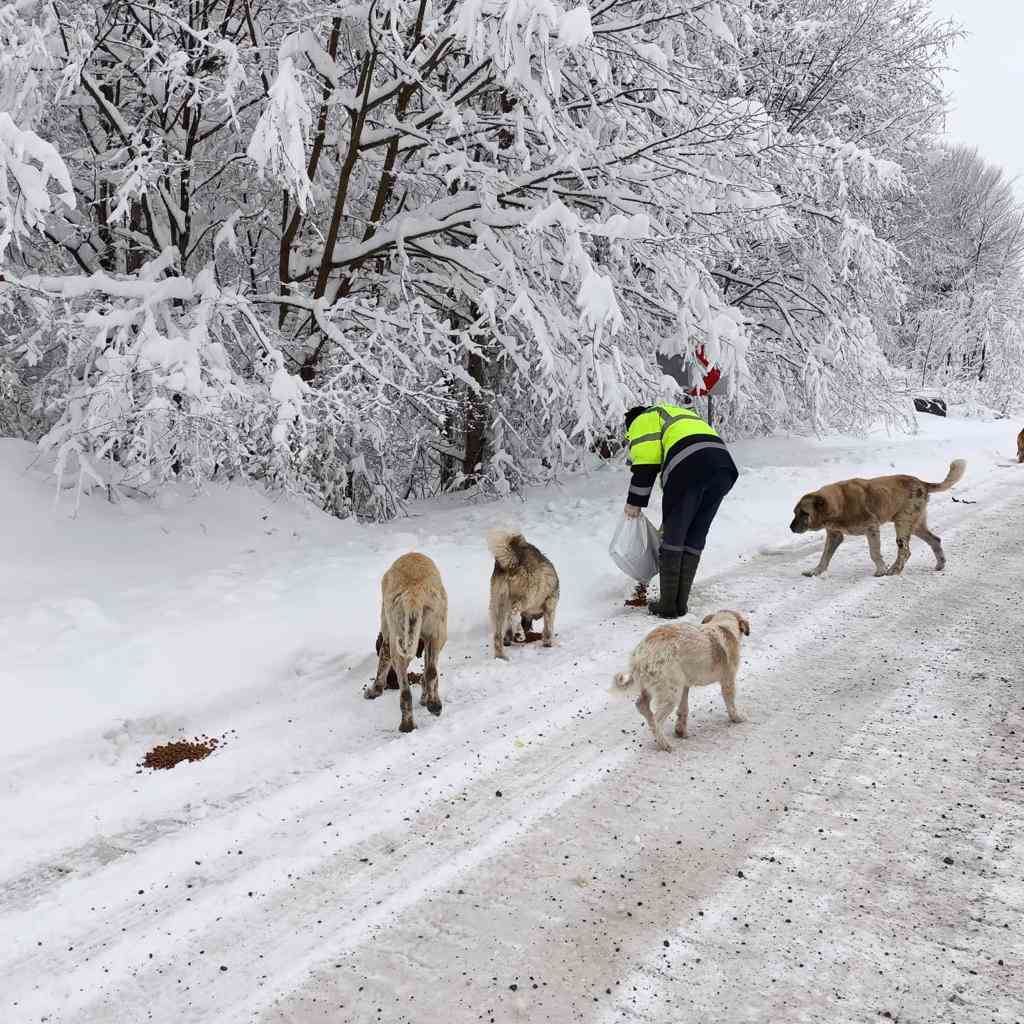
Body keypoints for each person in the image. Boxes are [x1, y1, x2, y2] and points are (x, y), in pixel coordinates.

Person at [623, 401, 738, 617]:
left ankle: (668, 606)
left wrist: (634, 502)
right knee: (695, 533)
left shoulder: (642, 420)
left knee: (674, 536)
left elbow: (646, 463)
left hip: (690, 465)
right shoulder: (675, 414)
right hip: (724, 467)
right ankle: (680, 604)